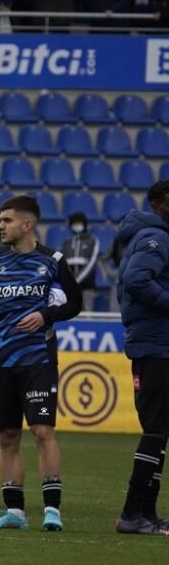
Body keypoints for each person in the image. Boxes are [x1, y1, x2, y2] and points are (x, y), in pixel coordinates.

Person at [0, 195, 83, 532]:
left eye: (7, 220)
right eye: (1, 220)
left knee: (43, 432)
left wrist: (45, 314)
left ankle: (52, 509)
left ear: (27, 225)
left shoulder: (52, 261)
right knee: (7, 435)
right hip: (1, 361)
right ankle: (14, 512)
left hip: (39, 359)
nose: (0, 226)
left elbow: (75, 303)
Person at [115, 181, 169, 534]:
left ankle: (146, 514)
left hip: (153, 343)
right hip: (157, 345)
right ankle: (133, 513)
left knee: (159, 429)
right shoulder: (157, 238)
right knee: (156, 429)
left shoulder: (150, 236)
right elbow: (136, 280)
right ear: (162, 202)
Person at [60, 212, 100, 312]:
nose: (76, 226)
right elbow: (62, 262)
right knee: (69, 312)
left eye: (79, 223)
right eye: (74, 223)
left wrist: (77, 280)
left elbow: (92, 263)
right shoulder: (67, 242)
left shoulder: (93, 240)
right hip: (70, 286)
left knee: (87, 313)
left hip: (87, 285)